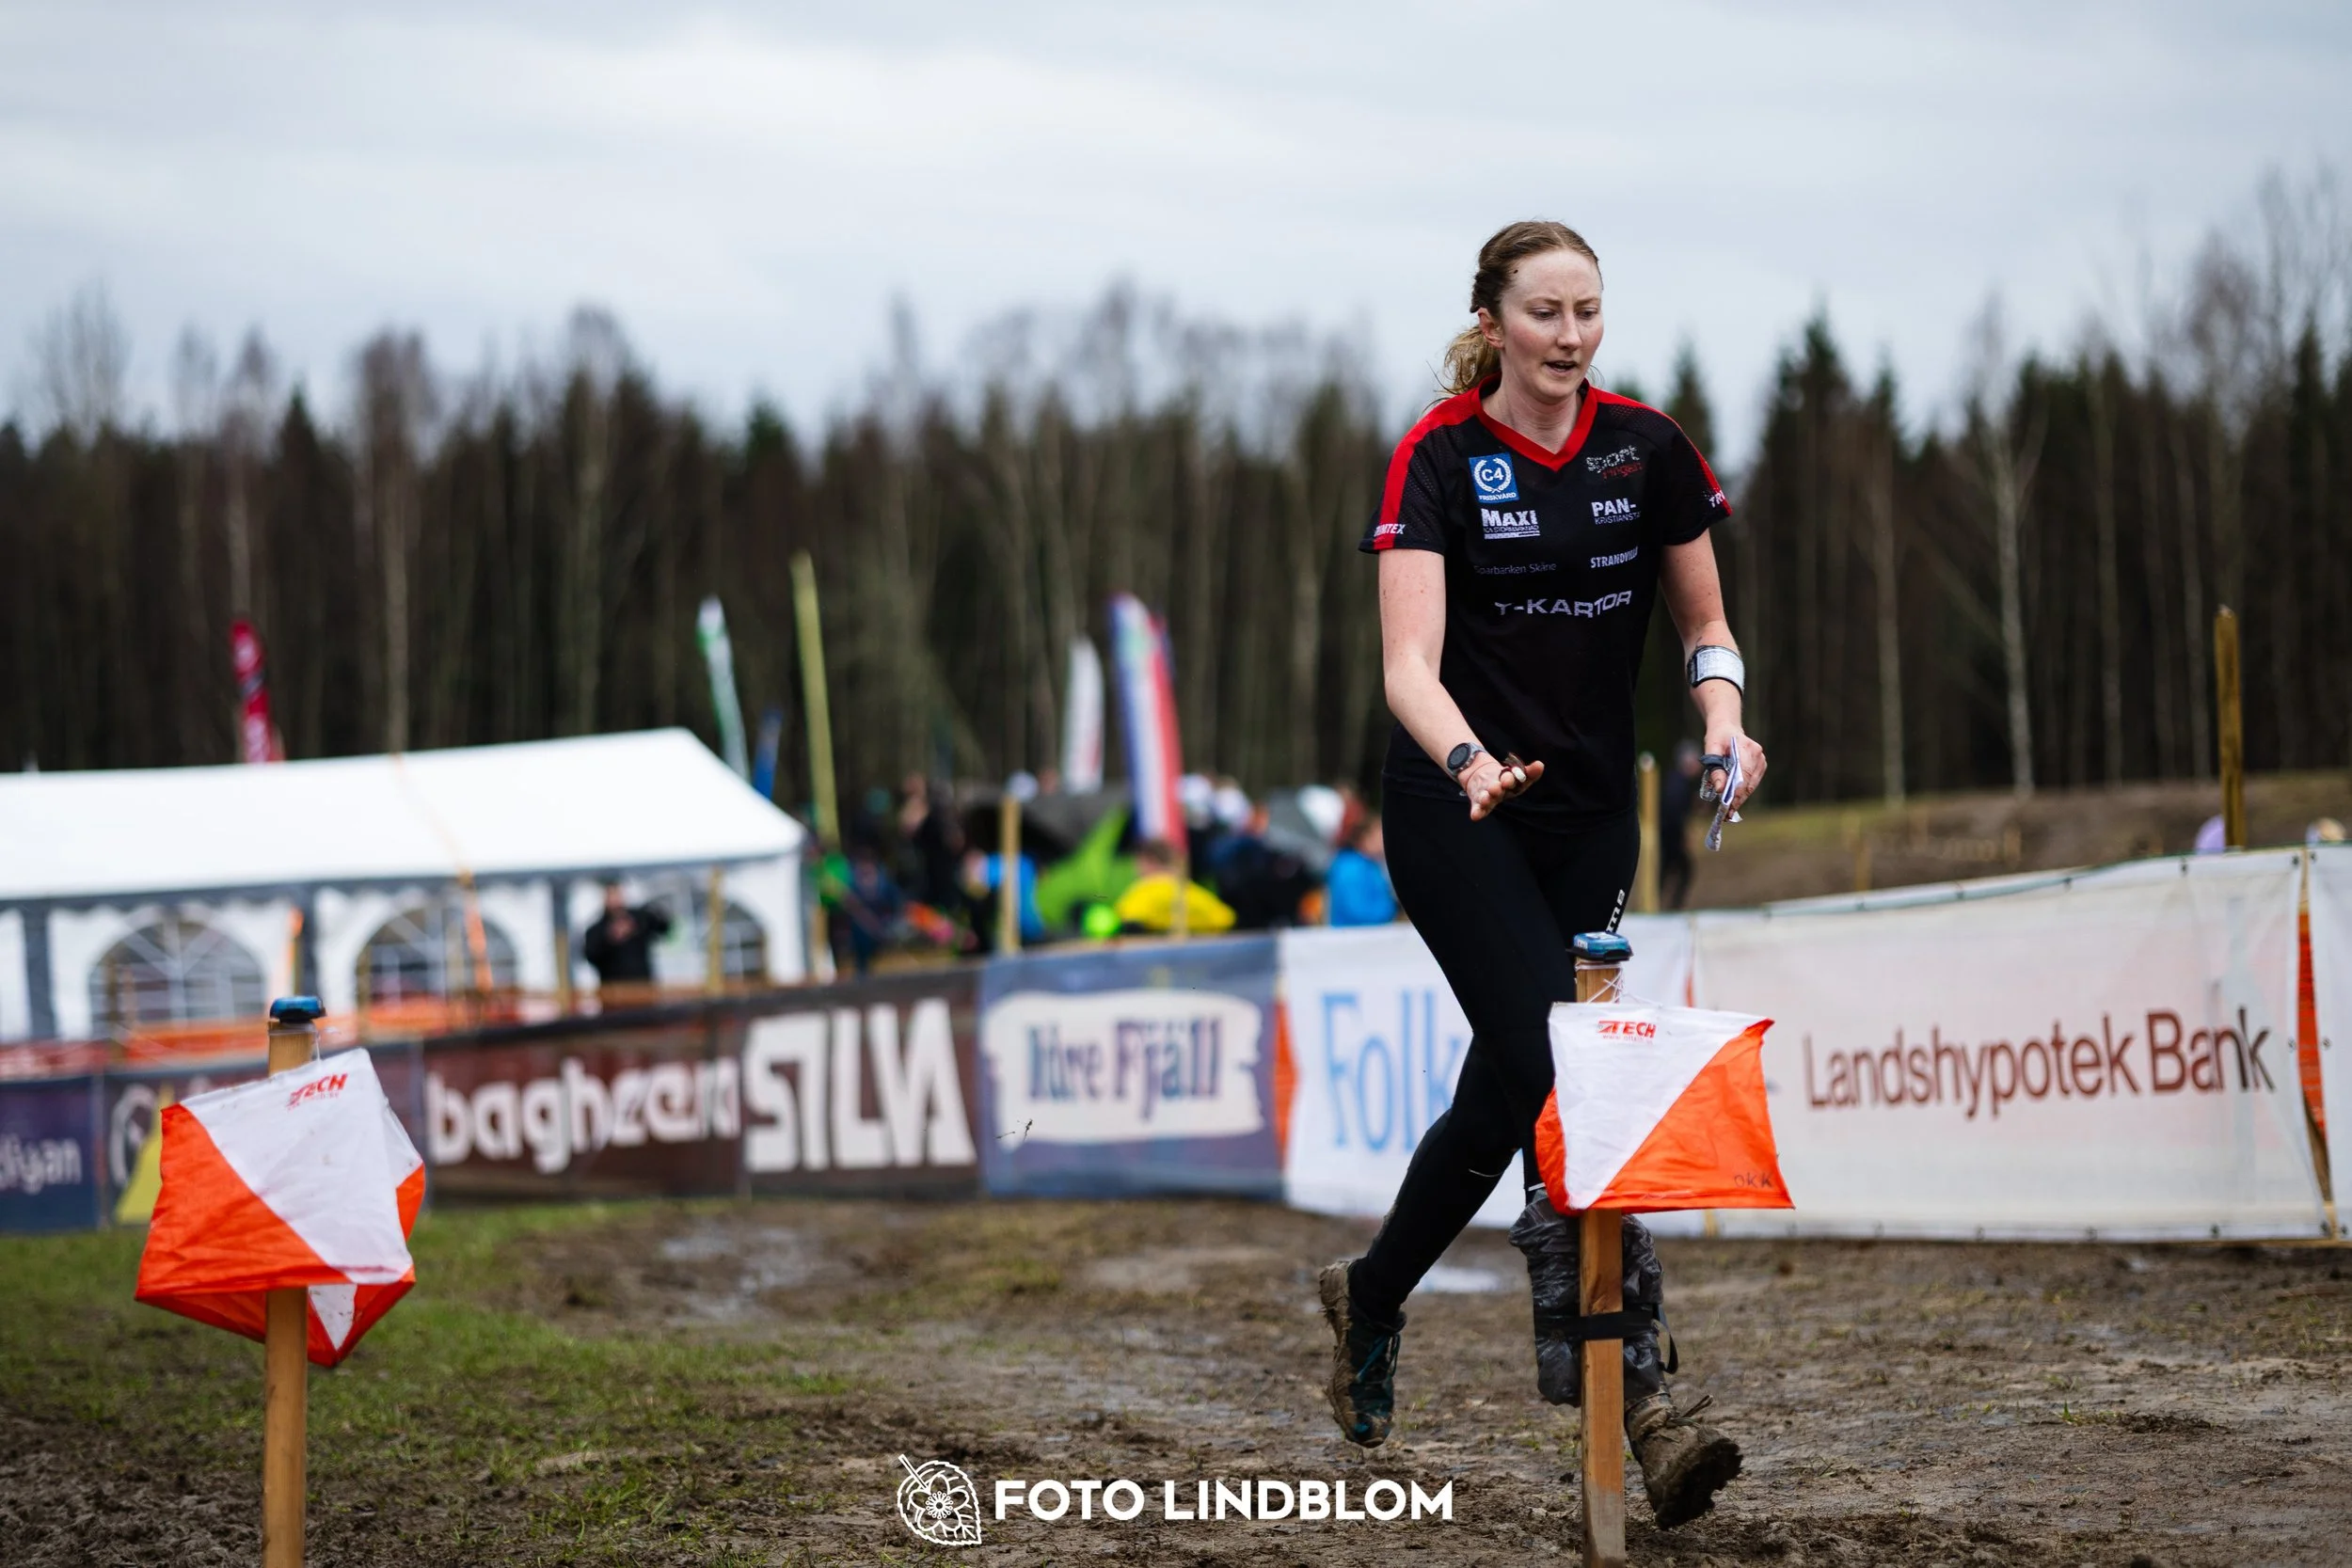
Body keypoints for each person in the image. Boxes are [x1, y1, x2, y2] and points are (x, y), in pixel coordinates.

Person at [1318, 220, 1768, 1529]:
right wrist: (1463, 755)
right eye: (1546, 314)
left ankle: (1374, 1291)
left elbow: (1706, 625)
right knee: (1574, 1075)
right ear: (1494, 320)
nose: (1571, 337)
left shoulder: (1649, 447)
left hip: (1585, 818)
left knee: (1519, 1085)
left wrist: (1724, 722)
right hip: (1457, 806)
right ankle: (1636, 1399)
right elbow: (1409, 665)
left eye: (1589, 311)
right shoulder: (1440, 454)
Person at [1112, 840, 1235, 934]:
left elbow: (1124, 920)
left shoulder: (1141, 893)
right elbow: (1226, 919)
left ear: (1149, 861)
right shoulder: (1194, 892)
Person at [580, 882, 671, 986]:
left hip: (643, 985)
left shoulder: (639, 918)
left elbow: (663, 928)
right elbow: (590, 955)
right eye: (611, 895)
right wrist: (610, 938)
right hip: (612, 989)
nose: (615, 900)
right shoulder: (596, 929)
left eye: (617, 894)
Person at [1325, 814, 1397, 927]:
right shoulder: (1350, 867)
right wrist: (1393, 907)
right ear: (1365, 838)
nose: (1384, 841)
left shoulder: (1370, 865)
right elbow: (1357, 910)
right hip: (1352, 937)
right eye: (1380, 836)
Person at [1658, 739, 1704, 910]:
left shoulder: (1678, 781)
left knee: (1668, 871)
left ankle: (1664, 905)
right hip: (1671, 836)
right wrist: (1682, 838)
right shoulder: (1678, 784)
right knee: (1682, 870)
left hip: (1669, 835)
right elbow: (1673, 813)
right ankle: (1671, 907)